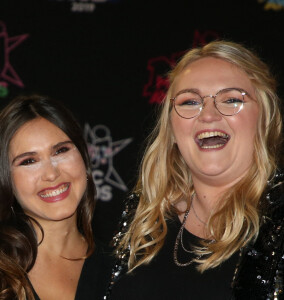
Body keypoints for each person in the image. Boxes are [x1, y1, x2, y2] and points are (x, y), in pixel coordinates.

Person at [109, 40, 284, 300]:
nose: (208, 115)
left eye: (232, 99)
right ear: (171, 128)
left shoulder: (278, 223)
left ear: (265, 118)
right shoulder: (147, 221)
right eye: (191, 102)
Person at [0, 95, 113, 300]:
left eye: (60, 151)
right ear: (4, 179)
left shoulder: (121, 272)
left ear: (83, 158)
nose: (51, 174)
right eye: (28, 161)